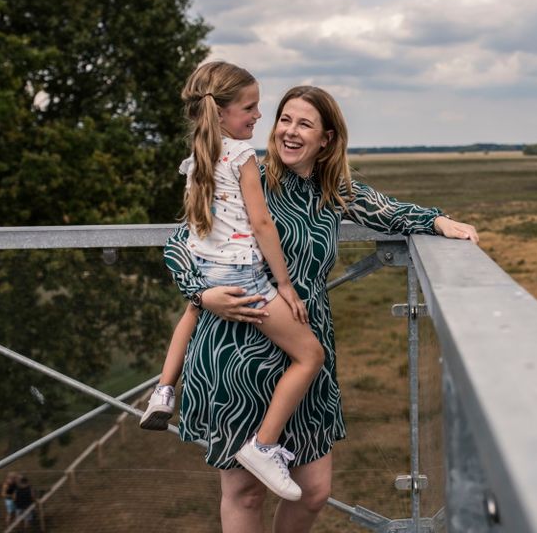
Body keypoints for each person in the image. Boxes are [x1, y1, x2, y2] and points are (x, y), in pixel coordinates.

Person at [164, 84, 478, 532]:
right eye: (284, 120)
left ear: (326, 139)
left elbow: (389, 210)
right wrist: (201, 294)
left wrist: (438, 221)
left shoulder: (333, 189)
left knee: (314, 491)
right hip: (239, 350)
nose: (289, 132)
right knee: (245, 492)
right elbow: (180, 244)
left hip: (307, 353)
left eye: (304, 124)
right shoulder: (245, 174)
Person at [141, 62, 323, 502]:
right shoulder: (242, 156)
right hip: (245, 278)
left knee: (192, 310)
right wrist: (283, 284)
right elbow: (261, 222)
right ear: (221, 113)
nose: (259, 115)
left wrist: (203, 284)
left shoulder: (198, 159)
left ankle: (164, 390)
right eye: (250, 107)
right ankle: (263, 445)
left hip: (208, 273)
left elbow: (195, 225)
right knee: (310, 355)